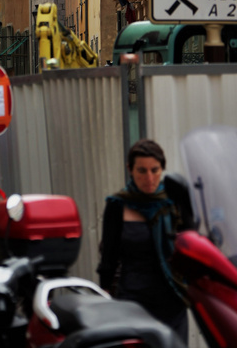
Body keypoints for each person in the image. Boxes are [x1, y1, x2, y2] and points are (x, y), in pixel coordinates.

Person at [97, 139, 188, 341]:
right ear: (130, 169)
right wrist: (104, 294)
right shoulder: (117, 205)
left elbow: (192, 245)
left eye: (155, 170)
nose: (149, 178)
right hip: (133, 301)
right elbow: (108, 257)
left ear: (163, 169)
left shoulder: (174, 202)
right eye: (142, 171)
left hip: (171, 300)